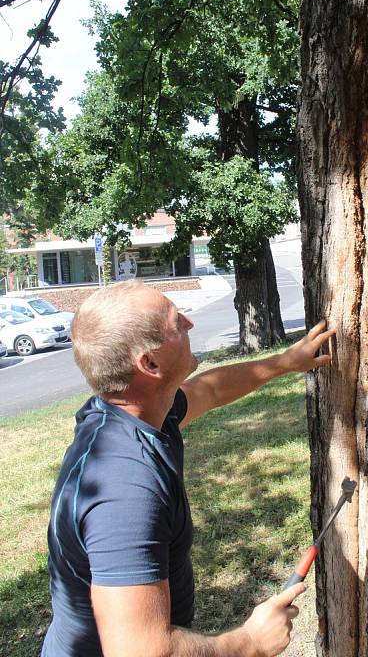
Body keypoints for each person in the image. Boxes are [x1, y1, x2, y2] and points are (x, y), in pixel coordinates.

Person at [41, 279, 335, 657]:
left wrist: (284, 363)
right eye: (176, 321)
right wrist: (251, 642)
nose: (190, 324)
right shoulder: (125, 489)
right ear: (149, 363)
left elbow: (208, 390)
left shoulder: (133, 412)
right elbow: (141, 652)